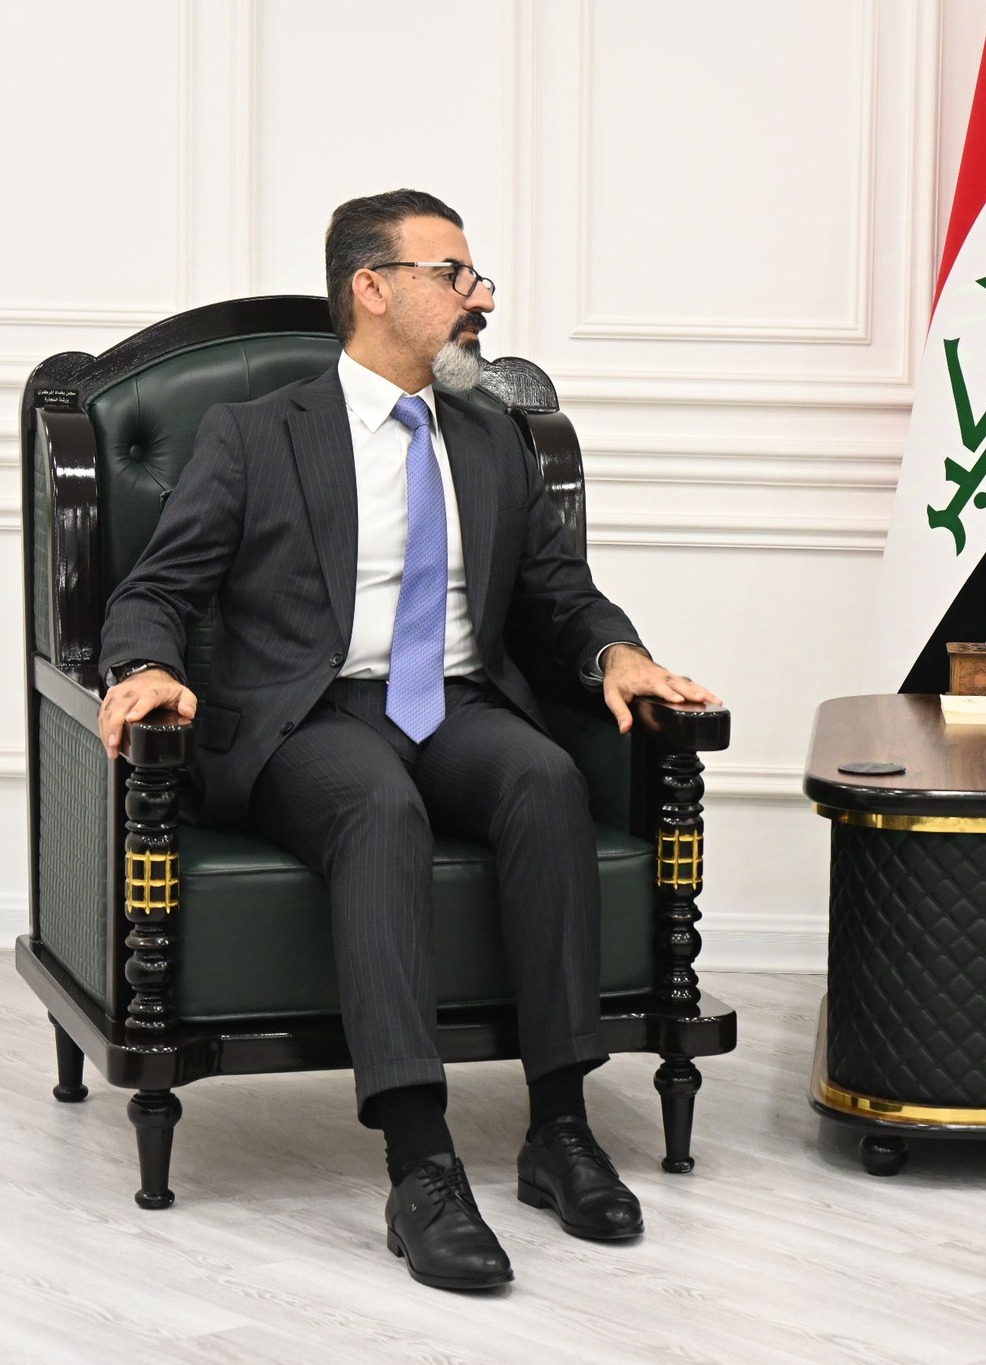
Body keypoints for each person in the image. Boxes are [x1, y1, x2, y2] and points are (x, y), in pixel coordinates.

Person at [95, 189, 722, 1292]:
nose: (480, 297)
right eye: (453, 274)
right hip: (312, 716)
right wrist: (144, 667)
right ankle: (421, 1162)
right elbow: (156, 589)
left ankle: (559, 1127)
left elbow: (558, 592)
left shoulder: (490, 437)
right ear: (372, 288)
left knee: (545, 779)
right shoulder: (256, 435)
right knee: (376, 808)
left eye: (477, 276)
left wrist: (616, 653)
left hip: (460, 706)